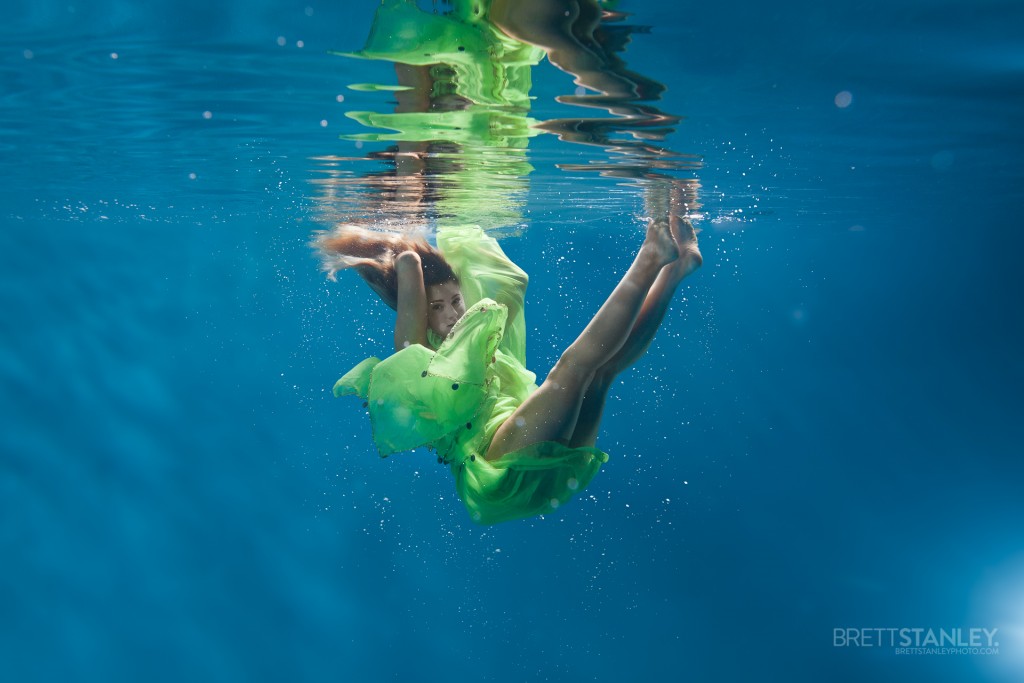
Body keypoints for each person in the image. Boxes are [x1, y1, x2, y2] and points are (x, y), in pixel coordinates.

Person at [315, 196, 701, 524]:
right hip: (497, 470)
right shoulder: (416, 354)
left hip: (537, 465)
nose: (452, 314)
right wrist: (397, 236)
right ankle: (651, 256)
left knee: (602, 374)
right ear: (418, 313)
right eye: (436, 307)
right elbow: (409, 267)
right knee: (572, 369)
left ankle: (675, 269)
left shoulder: (477, 342)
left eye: (455, 300)